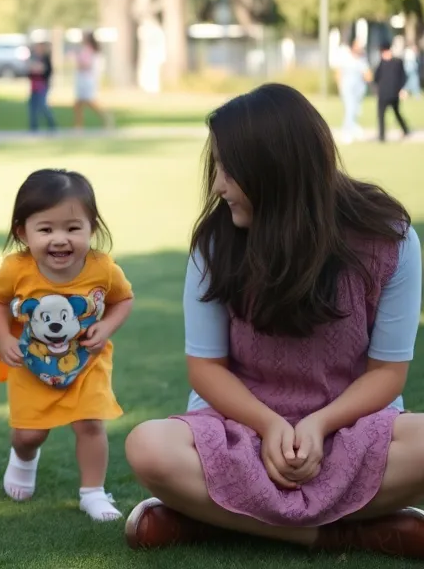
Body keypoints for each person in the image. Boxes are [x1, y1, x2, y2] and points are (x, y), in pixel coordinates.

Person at [124, 83, 424, 558]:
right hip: (239, 429)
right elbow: (206, 368)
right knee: (148, 447)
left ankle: (215, 519)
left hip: (351, 428)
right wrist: (268, 425)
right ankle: (346, 534)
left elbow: (387, 372)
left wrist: (319, 425)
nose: (218, 186)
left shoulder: (391, 239)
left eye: (228, 169)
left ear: (274, 168)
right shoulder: (215, 244)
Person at [0, 169, 134, 522]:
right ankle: (23, 458)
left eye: (72, 228)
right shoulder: (16, 269)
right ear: (23, 232)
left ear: (91, 227)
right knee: (29, 434)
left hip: (86, 362)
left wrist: (106, 326)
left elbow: (123, 299)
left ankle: (93, 493)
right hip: (31, 362)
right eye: (46, 230)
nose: (60, 240)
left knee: (90, 424)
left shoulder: (103, 268)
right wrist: (3, 338)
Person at [336, 36, 371, 144]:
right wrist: (339, 86)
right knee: (350, 108)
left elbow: (367, 73)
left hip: (359, 88)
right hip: (347, 87)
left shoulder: (362, 58)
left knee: (356, 109)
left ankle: (353, 127)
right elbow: (339, 72)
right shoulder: (346, 57)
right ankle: (346, 131)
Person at [73, 32, 111, 130]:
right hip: (84, 78)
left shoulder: (88, 50)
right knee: (78, 104)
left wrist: (79, 63)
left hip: (86, 79)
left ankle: (106, 118)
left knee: (90, 101)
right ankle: (78, 126)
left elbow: (87, 65)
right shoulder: (88, 50)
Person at [373, 44, 410, 142]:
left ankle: (405, 129)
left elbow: (403, 77)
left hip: (394, 93)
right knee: (381, 115)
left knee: (397, 113)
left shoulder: (397, 62)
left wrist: (402, 89)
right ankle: (381, 136)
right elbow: (376, 77)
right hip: (383, 94)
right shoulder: (381, 64)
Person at [27, 43, 56, 132]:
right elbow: (30, 71)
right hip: (34, 86)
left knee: (43, 106)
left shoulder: (45, 59)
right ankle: (33, 127)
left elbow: (46, 71)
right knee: (32, 107)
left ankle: (52, 124)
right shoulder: (33, 58)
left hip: (42, 85)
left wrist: (38, 69)